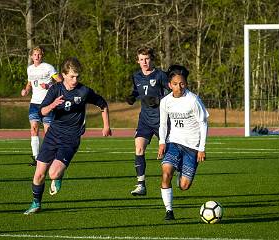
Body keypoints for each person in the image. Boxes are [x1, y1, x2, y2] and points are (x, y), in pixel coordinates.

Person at [24, 57, 112, 215]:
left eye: (77, 76)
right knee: (39, 174)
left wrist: (106, 125)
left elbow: (102, 104)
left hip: (71, 138)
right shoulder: (55, 89)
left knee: (53, 173)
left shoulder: (84, 91)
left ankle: (58, 176)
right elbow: (41, 112)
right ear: (63, 75)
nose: (75, 80)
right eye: (72, 76)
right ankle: (36, 203)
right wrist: (52, 105)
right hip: (52, 135)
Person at [157, 65, 209, 220]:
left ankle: (181, 170)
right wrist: (162, 142)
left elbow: (203, 123)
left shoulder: (193, 100)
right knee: (166, 174)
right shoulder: (165, 101)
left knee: (184, 186)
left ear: (186, 83)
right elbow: (163, 124)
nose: (178, 87)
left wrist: (201, 148)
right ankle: (169, 211)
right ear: (169, 84)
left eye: (182, 84)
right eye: (175, 84)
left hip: (192, 146)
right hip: (174, 142)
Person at [126, 46, 170, 196]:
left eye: (147, 59)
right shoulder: (136, 76)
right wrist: (132, 96)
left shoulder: (161, 75)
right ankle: (141, 185)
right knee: (139, 148)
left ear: (152, 59)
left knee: (168, 152)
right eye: (141, 59)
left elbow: (173, 93)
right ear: (137, 61)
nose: (144, 62)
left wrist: (158, 100)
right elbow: (136, 91)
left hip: (161, 120)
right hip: (144, 120)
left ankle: (175, 175)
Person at [21, 46, 62, 166]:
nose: (37, 56)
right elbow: (29, 83)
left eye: (39, 54)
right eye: (35, 54)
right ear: (31, 56)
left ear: (42, 55)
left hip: (47, 104)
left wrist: (49, 86)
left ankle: (49, 156)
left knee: (48, 131)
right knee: (33, 129)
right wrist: (26, 90)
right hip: (34, 103)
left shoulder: (48, 68)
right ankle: (36, 157)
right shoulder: (30, 69)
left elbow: (60, 82)